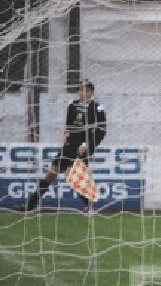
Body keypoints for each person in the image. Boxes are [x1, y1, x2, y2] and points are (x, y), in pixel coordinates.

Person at [24, 81, 108, 212]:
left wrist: (87, 145)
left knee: (71, 175)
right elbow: (69, 125)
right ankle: (30, 206)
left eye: (85, 90)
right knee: (50, 175)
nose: (81, 93)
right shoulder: (72, 105)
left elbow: (101, 131)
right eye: (79, 90)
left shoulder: (97, 108)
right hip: (68, 147)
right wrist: (66, 133)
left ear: (91, 93)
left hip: (82, 148)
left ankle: (89, 205)